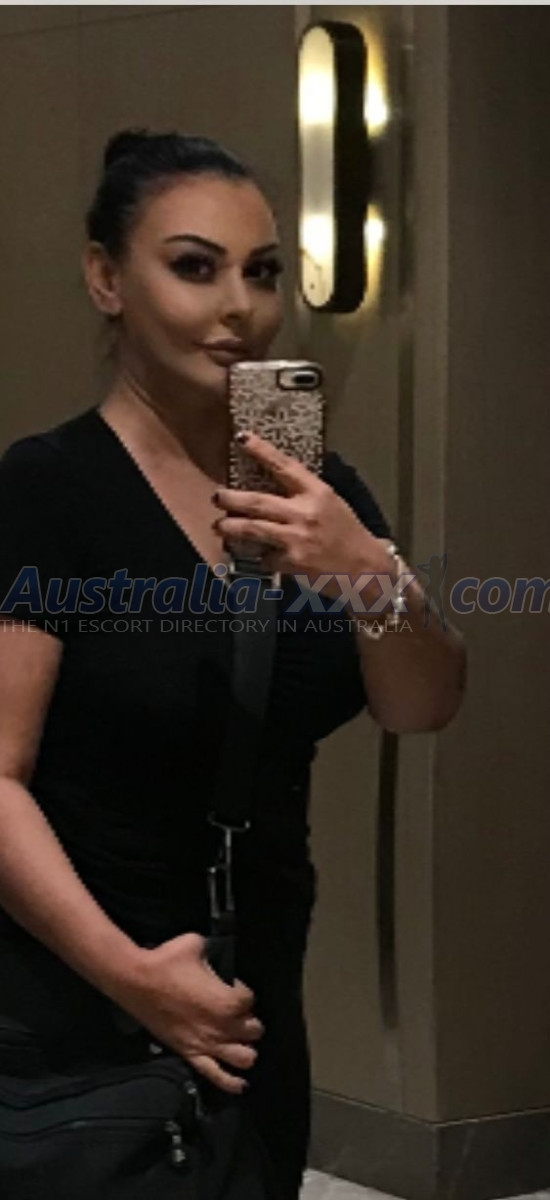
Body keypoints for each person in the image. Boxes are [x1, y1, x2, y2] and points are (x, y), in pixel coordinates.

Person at [0, 129, 466, 1198]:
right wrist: (134, 977)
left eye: (261, 273)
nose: (238, 308)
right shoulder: (50, 489)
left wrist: (369, 573)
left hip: (257, 985)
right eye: (194, 267)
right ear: (107, 279)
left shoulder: (312, 492)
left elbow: (422, 706)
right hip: (80, 1000)